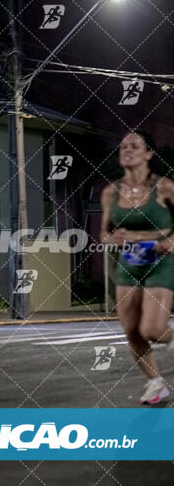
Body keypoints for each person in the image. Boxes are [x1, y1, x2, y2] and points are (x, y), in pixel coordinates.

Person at [101, 131, 174, 404]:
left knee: (152, 329)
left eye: (135, 146)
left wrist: (170, 240)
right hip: (129, 262)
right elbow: (104, 233)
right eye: (123, 146)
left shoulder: (165, 187)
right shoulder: (110, 192)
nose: (127, 150)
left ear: (149, 154)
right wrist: (116, 239)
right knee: (131, 331)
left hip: (161, 261)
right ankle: (156, 384)